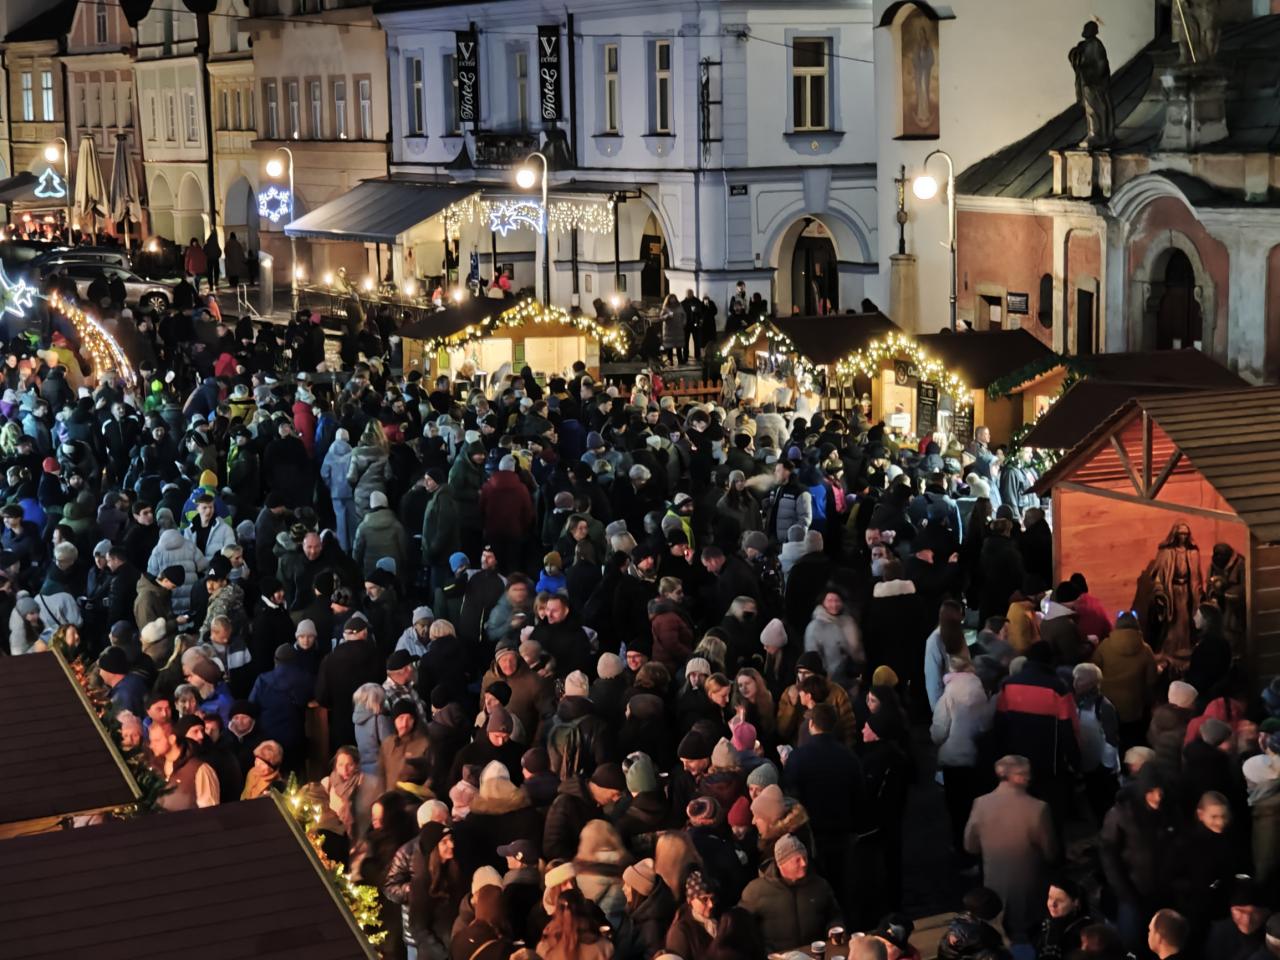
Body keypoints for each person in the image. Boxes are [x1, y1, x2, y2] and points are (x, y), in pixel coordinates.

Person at [963, 755, 1057, 943]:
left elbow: (970, 846)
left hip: (993, 886)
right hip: (1029, 889)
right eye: (1026, 773)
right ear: (1015, 776)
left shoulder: (980, 804)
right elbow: (1050, 853)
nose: (1029, 778)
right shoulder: (1038, 809)